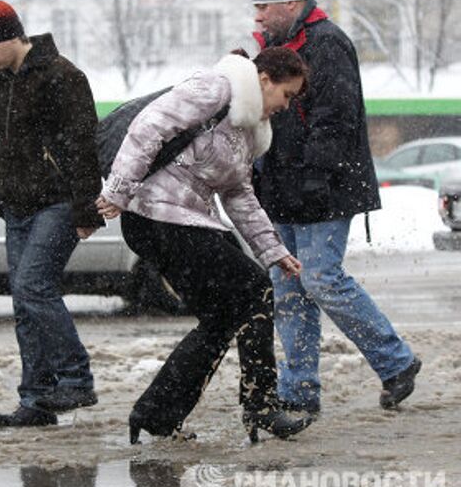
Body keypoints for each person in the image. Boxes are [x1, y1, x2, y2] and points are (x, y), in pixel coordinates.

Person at [96, 47, 314, 444]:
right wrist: (119, 190)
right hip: (157, 216)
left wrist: (273, 250)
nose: (287, 105)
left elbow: (239, 195)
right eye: (287, 94)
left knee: (223, 317)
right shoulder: (216, 88)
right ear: (264, 80)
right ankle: (261, 406)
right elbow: (149, 127)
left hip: (183, 220)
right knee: (255, 293)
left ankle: (157, 413)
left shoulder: (247, 129)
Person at [250, 0, 421, 414]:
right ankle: (300, 391)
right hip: (281, 188)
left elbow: (336, 118)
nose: (258, 16)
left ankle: (396, 361)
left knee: (321, 278)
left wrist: (314, 174)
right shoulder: (270, 47)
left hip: (327, 187)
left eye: (264, 7)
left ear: (291, 3)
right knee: (288, 289)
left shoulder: (327, 44)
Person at [0, 0, 104, 428]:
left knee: (33, 287)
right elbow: (5, 146)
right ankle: (37, 397)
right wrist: (1, 193)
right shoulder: (4, 81)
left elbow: (84, 146)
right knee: (24, 302)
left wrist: (86, 207)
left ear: (13, 36)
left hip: (57, 201)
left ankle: (76, 378)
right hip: (17, 204)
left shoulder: (62, 76)